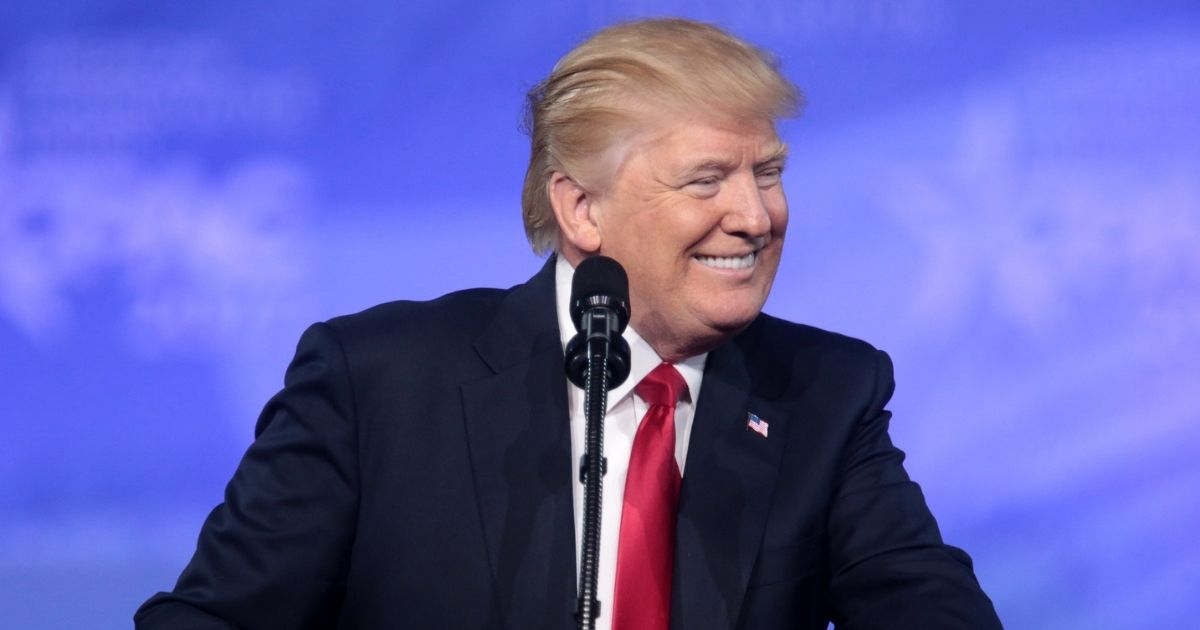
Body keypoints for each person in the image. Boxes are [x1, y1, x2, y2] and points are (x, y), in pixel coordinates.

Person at [136, 18, 1002, 629]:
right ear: (582, 210)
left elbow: (926, 609)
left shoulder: (826, 394)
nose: (756, 215)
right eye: (707, 180)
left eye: (767, 172)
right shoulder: (379, 383)